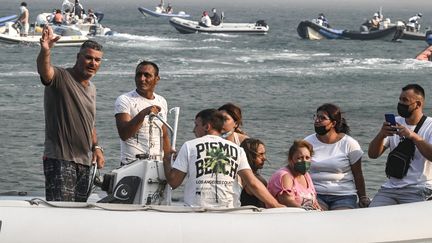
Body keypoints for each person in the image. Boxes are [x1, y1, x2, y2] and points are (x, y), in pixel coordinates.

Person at [37, 26, 105, 202]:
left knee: (78, 215)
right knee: (61, 214)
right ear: (78, 57)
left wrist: (96, 147)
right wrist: (45, 51)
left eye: (97, 60)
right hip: (60, 159)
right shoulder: (61, 77)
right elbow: (45, 71)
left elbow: (89, 122)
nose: (93, 63)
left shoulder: (92, 89)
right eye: (88, 58)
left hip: (85, 162)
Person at [163, 109, 283, 208]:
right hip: (229, 212)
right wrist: (276, 205)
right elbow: (252, 183)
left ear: (207, 126)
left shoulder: (189, 146)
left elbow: (174, 182)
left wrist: (166, 161)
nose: (193, 129)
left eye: (196, 125)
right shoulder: (237, 149)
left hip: (196, 212)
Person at [368, 84, 432, 207]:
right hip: (390, 189)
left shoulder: (430, 126)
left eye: (405, 100)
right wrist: (381, 134)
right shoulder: (396, 123)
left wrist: (413, 136)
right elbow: (372, 155)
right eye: (400, 99)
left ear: (418, 104)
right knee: (372, 216)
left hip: (419, 188)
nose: (400, 103)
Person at [304, 103, 369, 210]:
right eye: (316, 117)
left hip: (344, 195)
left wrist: (363, 197)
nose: (317, 120)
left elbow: (358, 174)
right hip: (315, 193)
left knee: (340, 219)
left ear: (333, 123)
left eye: (322, 118)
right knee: (315, 216)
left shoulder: (349, 143)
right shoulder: (307, 142)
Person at [114, 60, 171, 166]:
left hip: (158, 165)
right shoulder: (125, 100)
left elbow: (164, 134)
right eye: (139, 75)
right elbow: (124, 134)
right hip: (132, 165)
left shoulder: (162, 101)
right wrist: (143, 113)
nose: (142, 79)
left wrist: (168, 160)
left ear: (157, 79)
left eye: (147, 75)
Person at [267, 140, 321, 210]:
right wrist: (306, 210)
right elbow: (286, 201)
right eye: (299, 158)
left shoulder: (306, 175)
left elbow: (314, 201)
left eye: (307, 158)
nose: (304, 161)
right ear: (290, 159)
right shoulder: (285, 176)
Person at [239, 138, 268, 207]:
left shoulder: (238, 174)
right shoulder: (254, 180)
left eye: (264, 154)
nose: (264, 158)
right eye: (260, 154)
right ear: (249, 156)